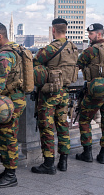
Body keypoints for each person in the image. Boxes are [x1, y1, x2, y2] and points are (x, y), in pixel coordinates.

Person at [31, 18, 78, 174]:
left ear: (53, 30)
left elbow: (35, 61)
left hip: (50, 94)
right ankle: (63, 161)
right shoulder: (73, 48)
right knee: (63, 126)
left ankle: (49, 163)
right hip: (65, 93)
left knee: (47, 128)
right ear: (65, 30)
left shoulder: (51, 48)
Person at [0, 22, 26, 188]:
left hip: (8, 103)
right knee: (9, 136)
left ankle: (11, 175)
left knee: (7, 138)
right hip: (17, 99)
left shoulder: (3, 56)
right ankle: (8, 170)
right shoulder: (16, 49)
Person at [76, 23, 104, 164]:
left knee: (84, 119)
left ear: (99, 34)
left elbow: (78, 64)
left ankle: (87, 153)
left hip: (97, 91)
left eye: (91, 34)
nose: (89, 37)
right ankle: (103, 155)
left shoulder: (92, 50)